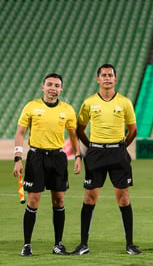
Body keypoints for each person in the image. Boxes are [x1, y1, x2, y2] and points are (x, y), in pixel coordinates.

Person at [71, 63, 141, 255]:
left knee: (124, 199)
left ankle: (130, 244)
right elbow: (79, 129)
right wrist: (92, 146)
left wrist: (121, 147)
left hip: (118, 153)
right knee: (89, 197)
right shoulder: (89, 102)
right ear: (98, 79)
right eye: (104, 75)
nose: (107, 78)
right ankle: (83, 244)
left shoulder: (125, 102)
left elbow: (133, 130)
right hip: (96, 153)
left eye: (110, 75)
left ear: (115, 79)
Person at [13, 73, 82, 256]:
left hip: (58, 158)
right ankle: (27, 244)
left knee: (59, 200)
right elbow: (20, 133)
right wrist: (18, 158)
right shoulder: (31, 106)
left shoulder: (67, 110)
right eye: (50, 84)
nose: (53, 88)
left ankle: (58, 244)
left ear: (61, 89)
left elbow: (73, 136)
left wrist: (77, 156)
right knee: (33, 200)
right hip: (36, 157)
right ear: (43, 87)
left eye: (57, 85)